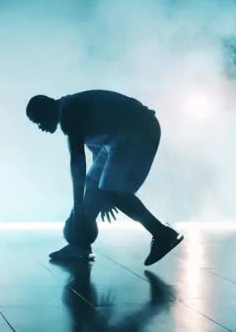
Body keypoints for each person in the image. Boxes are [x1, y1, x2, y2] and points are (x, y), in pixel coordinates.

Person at [26, 90, 183, 266]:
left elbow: (77, 162)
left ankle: (162, 233)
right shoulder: (69, 109)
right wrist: (103, 194)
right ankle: (79, 246)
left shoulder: (70, 113)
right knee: (96, 187)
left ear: (47, 109)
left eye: (38, 120)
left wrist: (82, 205)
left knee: (110, 191)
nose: (40, 126)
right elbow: (95, 157)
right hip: (117, 138)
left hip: (139, 130)